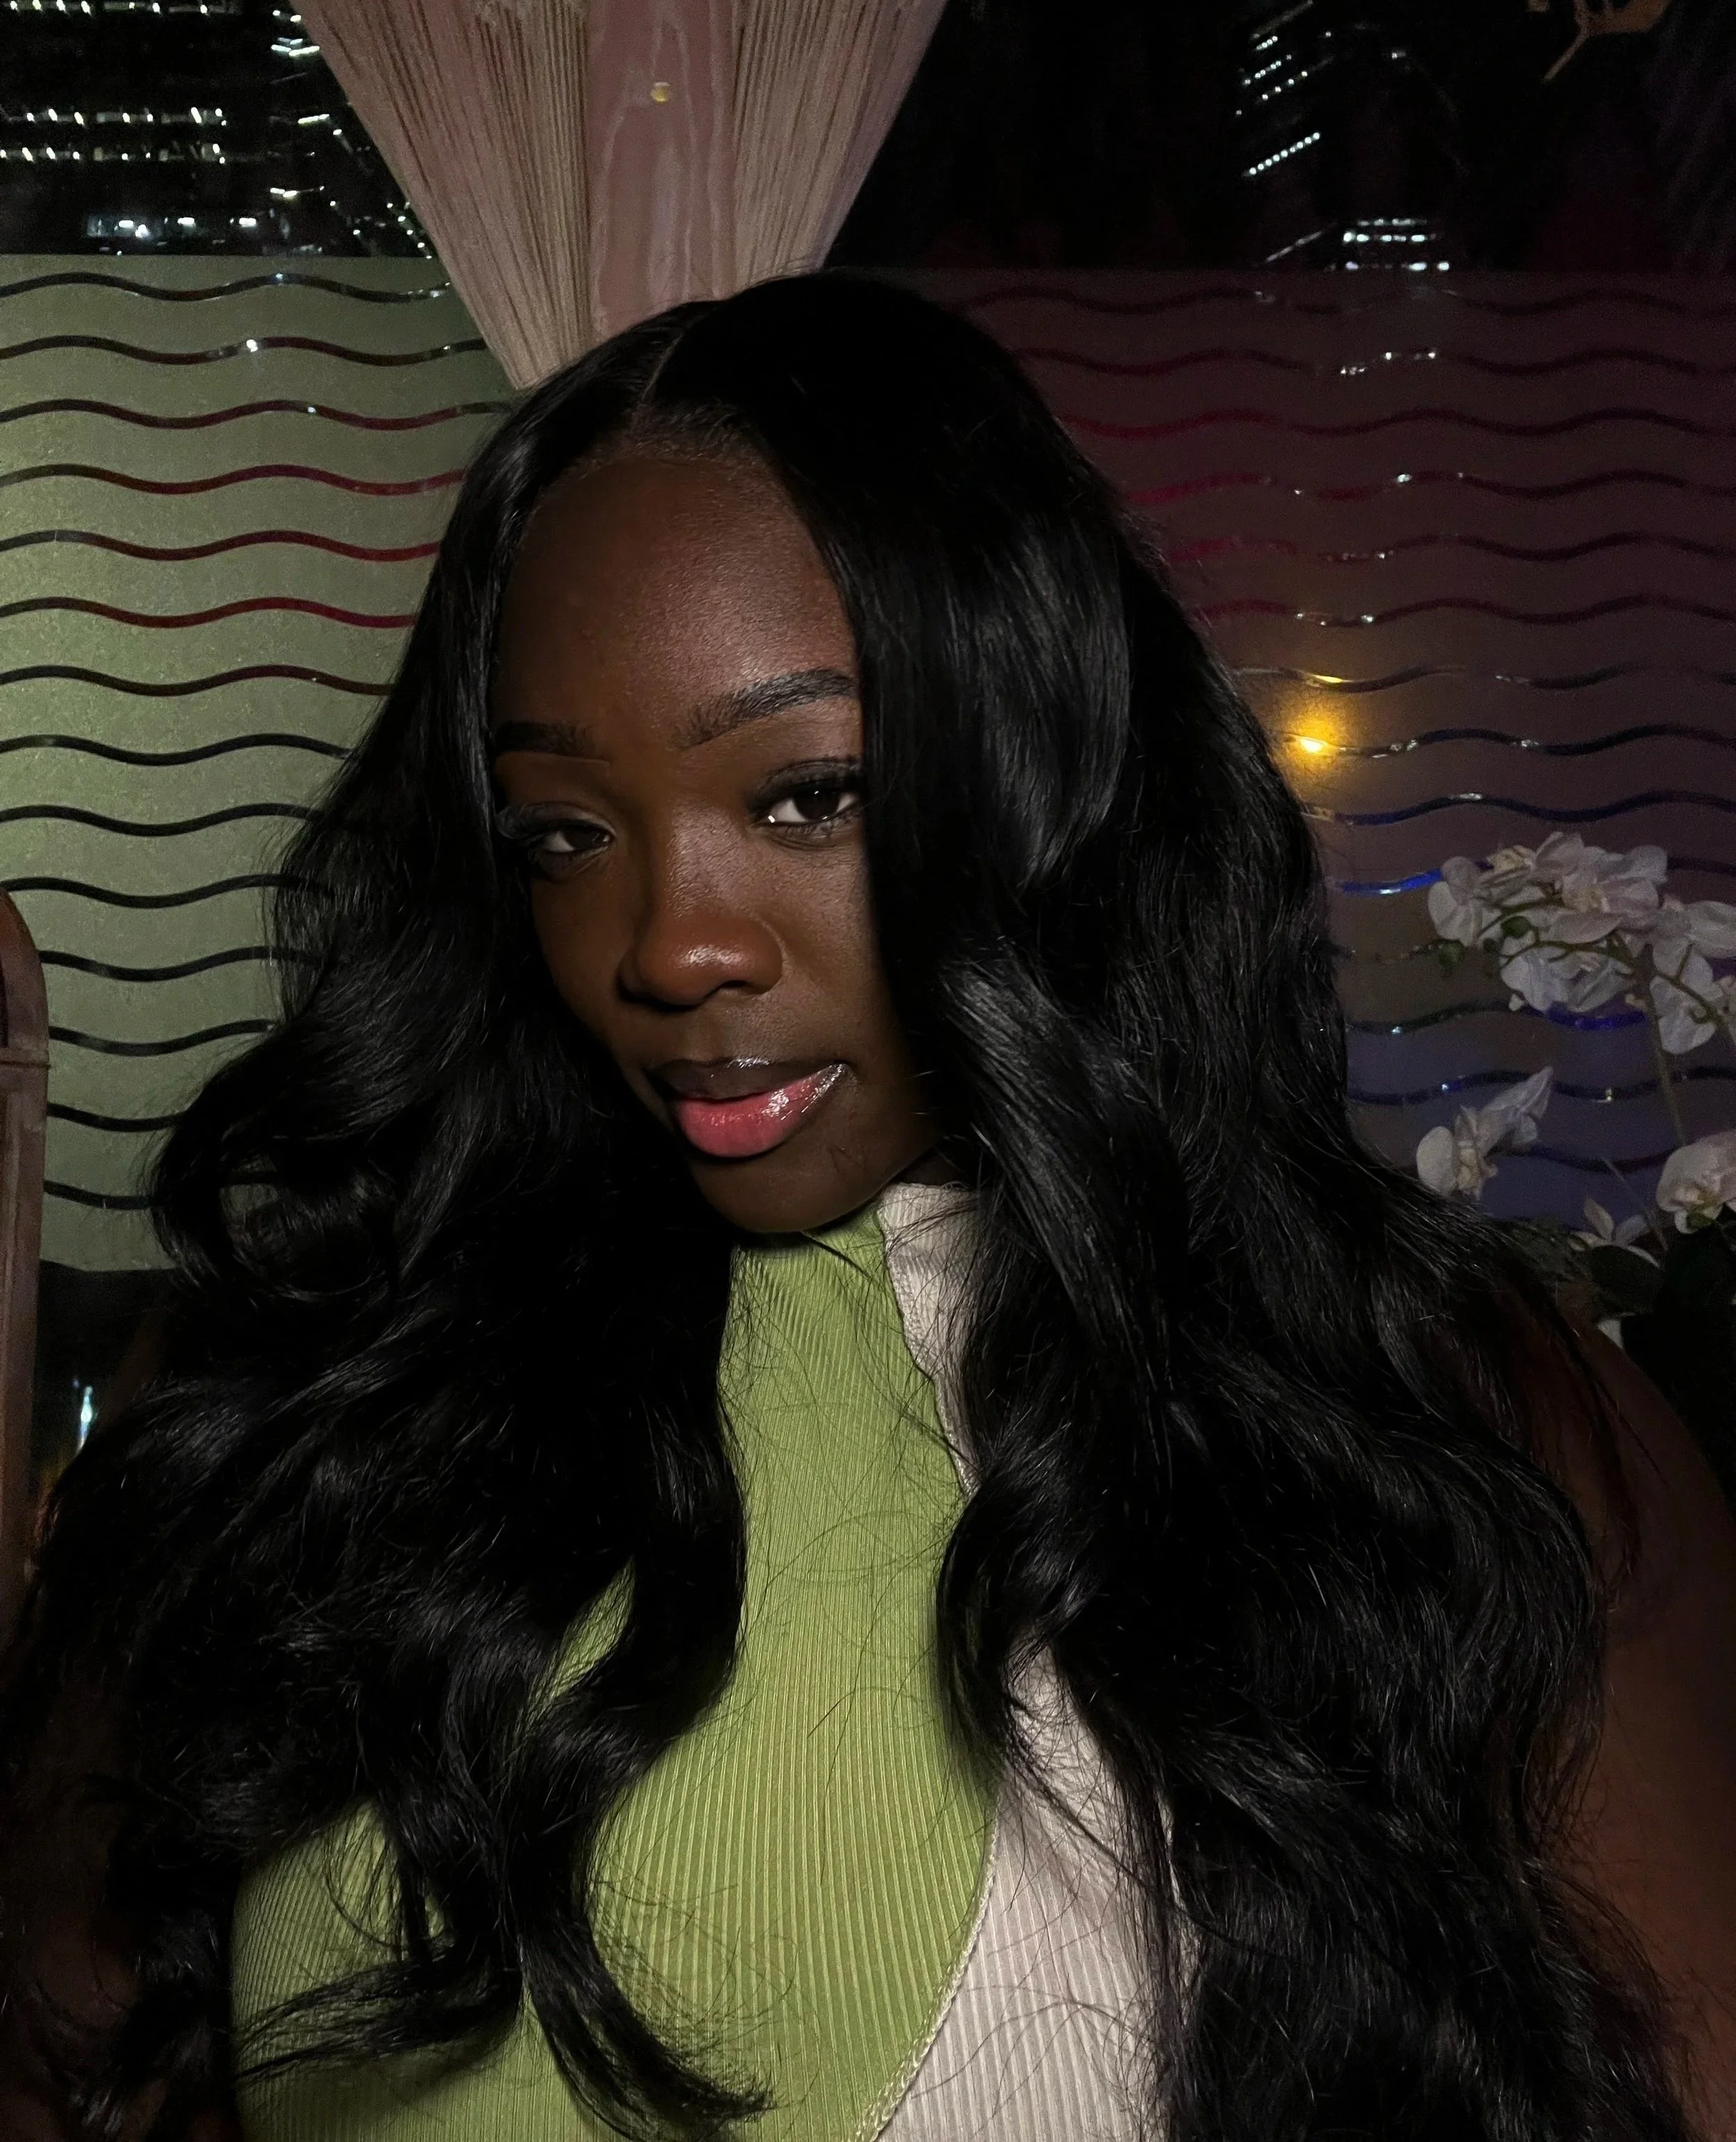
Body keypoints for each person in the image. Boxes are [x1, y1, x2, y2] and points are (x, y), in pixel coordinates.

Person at [2, 272, 1733, 2142]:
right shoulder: (318, 1381)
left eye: (809, 796)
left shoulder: (1460, 1416)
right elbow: (65, 2048)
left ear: (1052, 772)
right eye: (564, 834)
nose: (670, 942)